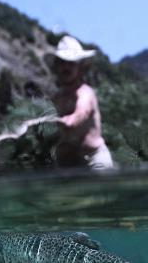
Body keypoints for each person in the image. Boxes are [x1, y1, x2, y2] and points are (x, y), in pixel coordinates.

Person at [49, 35, 114, 170]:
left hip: (95, 160)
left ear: (80, 67)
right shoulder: (56, 98)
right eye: (62, 62)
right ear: (57, 66)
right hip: (68, 161)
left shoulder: (86, 93)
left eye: (71, 63)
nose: (66, 67)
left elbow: (82, 112)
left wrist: (71, 119)